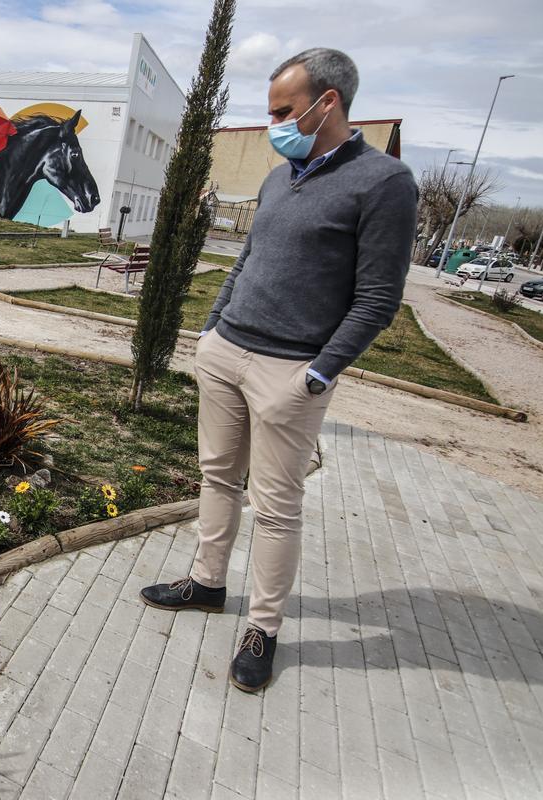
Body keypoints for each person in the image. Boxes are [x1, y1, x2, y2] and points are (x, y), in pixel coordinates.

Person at [140, 48, 418, 693]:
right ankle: (207, 584)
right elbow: (246, 261)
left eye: (283, 111)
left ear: (329, 102)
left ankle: (263, 626)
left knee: (276, 508)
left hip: (290, 372)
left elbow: (379, 298)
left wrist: (317, 377)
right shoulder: (277, 176)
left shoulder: (383, 182)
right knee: (215, 477)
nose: (274, 125)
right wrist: (212, 328)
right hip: (226, 353)